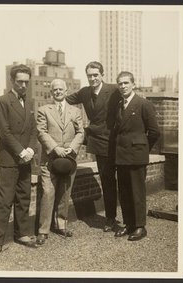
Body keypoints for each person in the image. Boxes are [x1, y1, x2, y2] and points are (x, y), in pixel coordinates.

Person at [0, 64, 38, 261]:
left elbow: (33, 131)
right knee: (4, 201)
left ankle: (22, 233)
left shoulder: (28, 102)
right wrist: (21, 151)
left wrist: (31, 150)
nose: (24, 85)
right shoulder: (2, 101)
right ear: (12, 81)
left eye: (27, 82)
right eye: (20, 81)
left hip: (26, 159)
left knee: (23, 198)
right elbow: (4, 132)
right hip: (10, 160)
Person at [66, 61, 121, 232]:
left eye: (95, 75)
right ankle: (111, 219)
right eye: (89, 75)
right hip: (98, 142)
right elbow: (64, 101)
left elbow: (131, 101)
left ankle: (131, 221)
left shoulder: (113, 90)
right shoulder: (84, 92)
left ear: (102, 74)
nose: (92, 78)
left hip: (117, 141)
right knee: (107, 181)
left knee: (125, 181)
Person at [111, 71, 160, 241]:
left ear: (133, 84)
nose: (123, 86)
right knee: (124, 192)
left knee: (137, 192)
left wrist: (142, 148)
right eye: (120, 83)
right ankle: (129, 224)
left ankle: (140, 226)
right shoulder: (119, 104)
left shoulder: (143, 104)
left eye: (126, 83)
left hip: (136, 156)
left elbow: (154, 131)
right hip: (122, 156)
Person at [36, 79, 84, 245]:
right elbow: (41, 132)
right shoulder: (43, 110)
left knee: (65, 191)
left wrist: (71, 148)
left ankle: (61, 224)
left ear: (66, 90)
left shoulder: (75, 111)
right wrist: (55, 148)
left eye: (60, 89)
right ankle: (43, 230)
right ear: (51, 92)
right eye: (54, 89)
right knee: (48, 192)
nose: (57, 92)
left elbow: (80, 132)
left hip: (69, 159)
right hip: (49, 160)